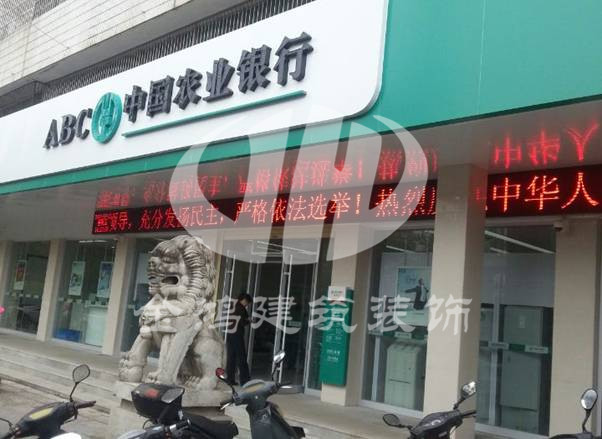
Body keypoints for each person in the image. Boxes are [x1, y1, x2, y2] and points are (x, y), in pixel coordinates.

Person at [226, 292, 252, 386]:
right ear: (244, 300)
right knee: (241, 357)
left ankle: (230, 379)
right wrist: (249, 320)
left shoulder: (232, 306)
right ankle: (245, 380)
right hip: (237, 335)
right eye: (247, 303)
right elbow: (242, 322)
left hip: (230, 334)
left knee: (231, 357)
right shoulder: (241, 308)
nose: (247, 305)